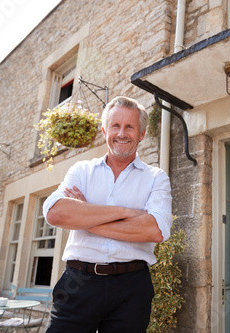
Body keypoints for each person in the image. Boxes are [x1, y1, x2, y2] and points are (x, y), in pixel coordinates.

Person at [43, 96, 173, 333]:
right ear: (105, 130)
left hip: (131, 287)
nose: (122, 133)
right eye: (115, 126)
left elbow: (156, 229)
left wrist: (87, 217)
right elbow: (56, 213)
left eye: (129, 127)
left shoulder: (156, 177)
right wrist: (125, 212)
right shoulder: (81, 171)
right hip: (77, 283)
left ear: (141, 134)